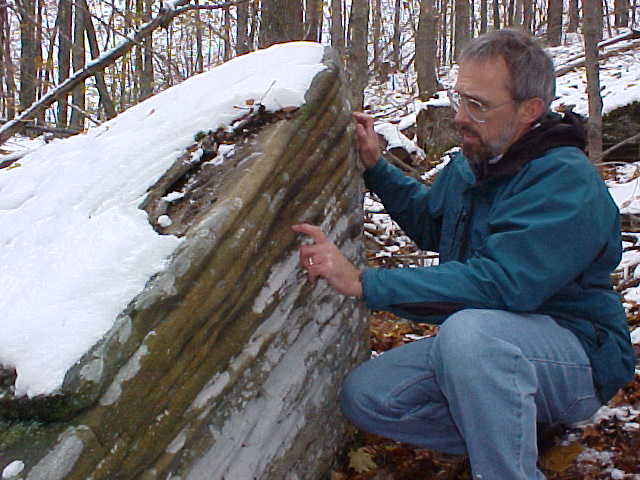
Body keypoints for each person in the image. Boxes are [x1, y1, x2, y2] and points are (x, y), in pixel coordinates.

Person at [292, 29, 635, 479]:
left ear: (530, 110)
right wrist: (376, 168)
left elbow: (502, 285)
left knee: (470, 333)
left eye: (478, 105)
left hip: (577, 357)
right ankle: (514, 432)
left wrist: (364, 282)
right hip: (490, 347)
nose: (459, 116)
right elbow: (433, 224)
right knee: (370, 395)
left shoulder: (564, 181)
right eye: (460, 98)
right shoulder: (478, 159)